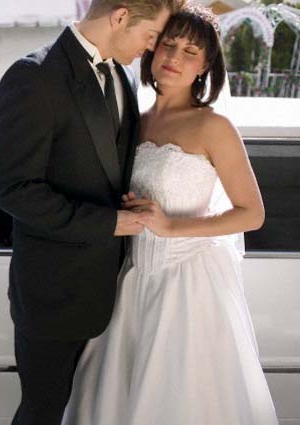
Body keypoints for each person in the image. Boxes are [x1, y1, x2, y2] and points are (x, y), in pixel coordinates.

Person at [62, 4, 279, 425]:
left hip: (188, 288)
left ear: (205, 67)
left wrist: (171, 226)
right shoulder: (132, 121)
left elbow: (252, 213)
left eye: (190, 52)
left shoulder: (213, 127)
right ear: (152, 48)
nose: (174, 58)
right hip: (130, 281)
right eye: (169, 44)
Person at [0, 1, 180, 424]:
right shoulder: (34, 77)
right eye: (150, 37)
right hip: (54, 295)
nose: (151, 50)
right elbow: (13, 189)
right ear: (120, 17)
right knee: (45, 410)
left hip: (116, 292)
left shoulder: (122, 76)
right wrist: (111, 223)